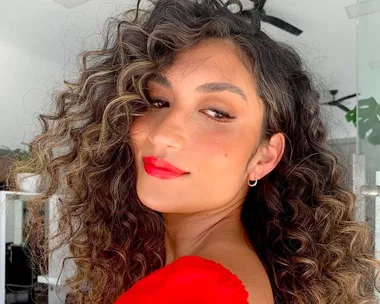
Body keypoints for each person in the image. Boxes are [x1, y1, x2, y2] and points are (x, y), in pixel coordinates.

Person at [10, 0, 380, 303]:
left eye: (216, 112)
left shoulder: (197, 289)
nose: (164, 135)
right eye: (157, 100)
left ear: (264, 157)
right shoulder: (225, 273)